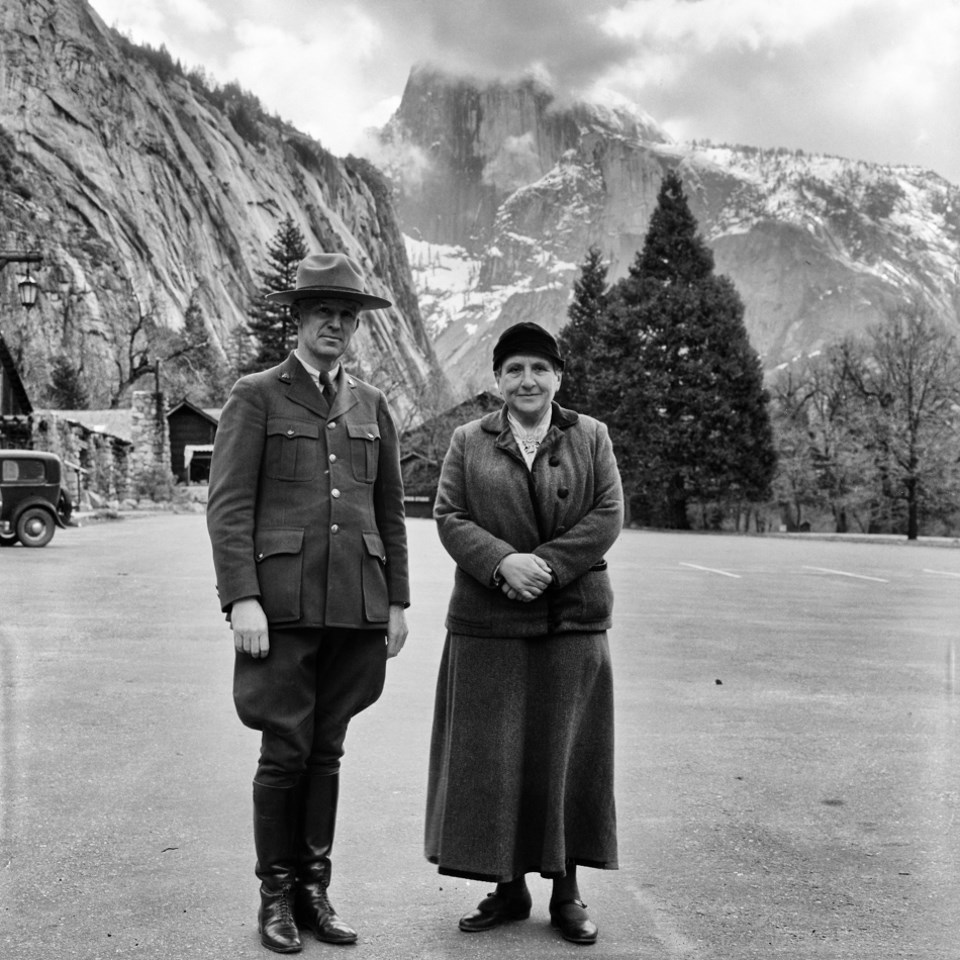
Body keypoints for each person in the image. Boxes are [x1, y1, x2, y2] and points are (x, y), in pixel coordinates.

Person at [207, 251, 409, 954]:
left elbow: (390, 515)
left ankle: (314, 891)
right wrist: (242, 599)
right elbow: (229, 507)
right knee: (284, 753)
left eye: (347, 315)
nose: (336, 324)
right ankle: (275, 896)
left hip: (356, 607)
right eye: (323, 311)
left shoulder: (373, 405)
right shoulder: (255, 395)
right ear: (298, 318)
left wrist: (399, 603)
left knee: (327, 752)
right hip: (282, 608)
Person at [425, 321, 623, 945]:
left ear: (558, 376)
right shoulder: (467, 440)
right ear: (498, 380)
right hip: (490, 623)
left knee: (566, 756)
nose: (527, 380)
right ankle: (507, 889)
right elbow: (449, 514)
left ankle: (567, 893)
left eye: (539, 368)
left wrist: (550, 567)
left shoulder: (590, 436)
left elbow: (608, 513)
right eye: (514, 369)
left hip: (572, 619)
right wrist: (501, 563)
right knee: (493, 759)